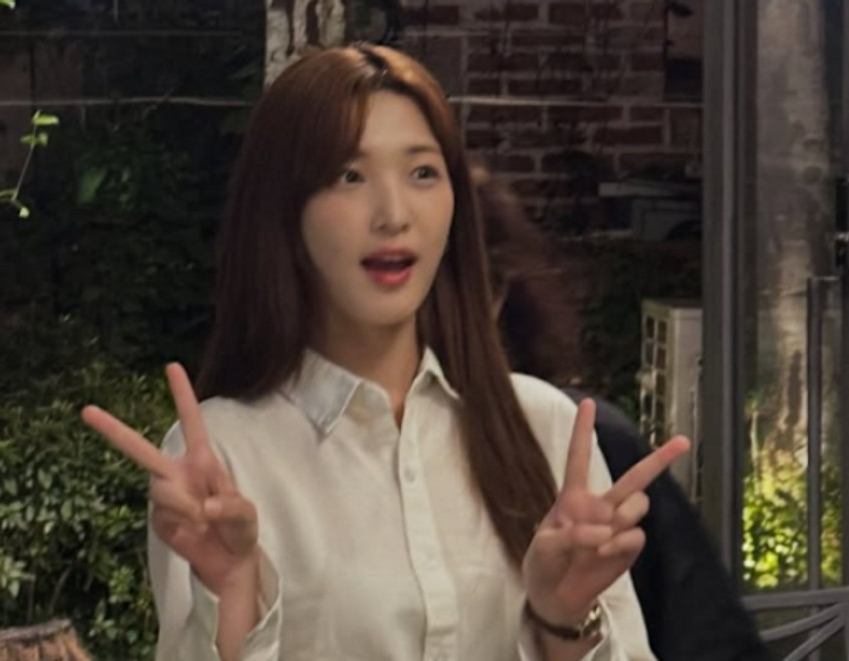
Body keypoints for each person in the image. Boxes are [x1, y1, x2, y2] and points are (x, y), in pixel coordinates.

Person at [81, 44, 689, 661]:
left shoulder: (545, 427)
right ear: (284, 211)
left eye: (422, 172)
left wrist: (563, 623)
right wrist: (235, 590)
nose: (394, 215)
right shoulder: (224, 455)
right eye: (350, 176)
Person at [471, 159, 771, 661]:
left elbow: (716, 643)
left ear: (495, 296)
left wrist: (565, 625)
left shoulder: (575, 438)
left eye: (444, 285)